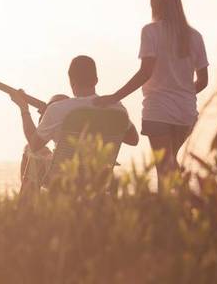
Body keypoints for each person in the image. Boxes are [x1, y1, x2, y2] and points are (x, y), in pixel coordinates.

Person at [94, 0, 209, 188]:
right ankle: (173, 211)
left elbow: (146, 72)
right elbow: (203, 80)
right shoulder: (195, 36)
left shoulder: (151, 31)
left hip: (158, 110)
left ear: (156, 6)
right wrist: (182, 91)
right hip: (186, 112)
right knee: (169, 163)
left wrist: (114, 96)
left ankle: (183, 202)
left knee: (165, 167)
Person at [13, 56, 139, 191]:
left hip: (63, 178)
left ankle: (26, 210)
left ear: (71, 81)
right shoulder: (116, 108)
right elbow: (133, 139)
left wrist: (24, 109)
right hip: (98, 177)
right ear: (96, 80)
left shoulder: (58, 109)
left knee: (29, 151)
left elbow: (34, 144)